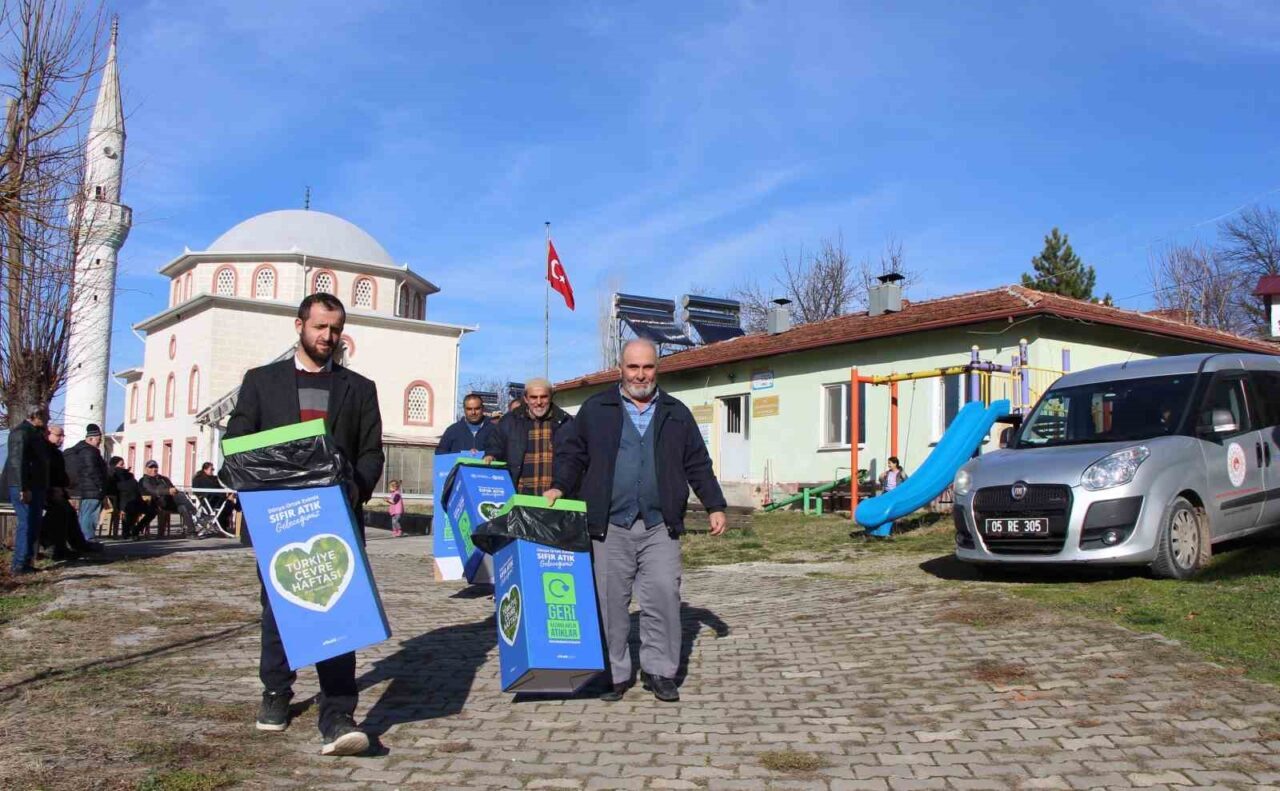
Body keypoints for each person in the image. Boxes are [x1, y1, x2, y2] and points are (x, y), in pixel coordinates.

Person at [224, 292, 384, 757]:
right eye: (319, 327)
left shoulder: (359, 388)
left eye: (335, 329)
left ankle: (338, 714)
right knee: (279, 607)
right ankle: (276, 691)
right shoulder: (261, 382)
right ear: (299, 326)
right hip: (280, 518)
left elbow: (371, 451)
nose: (327, 337)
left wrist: (355, 486)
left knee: (340, 612)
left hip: (336, 516)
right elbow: (238, 439)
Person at [544, 339, 727, 704]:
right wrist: (559, 487)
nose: (640, 375)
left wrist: (714, 504)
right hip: (609, 525)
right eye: (633, 367)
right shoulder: (597, 409)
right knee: (610, 602)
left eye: (647, 367)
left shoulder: (676, 413)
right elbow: (573, 455)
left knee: (662, 595)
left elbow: (697, 463)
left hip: (660, 525)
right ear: (621, 369)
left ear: (656, 369)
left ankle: (659, 671)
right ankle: (614, 674)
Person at [484, 378, 573, 494]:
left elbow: (572, 460)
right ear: (526, 399)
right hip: (519, 496)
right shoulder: (509, 421)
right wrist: (491, 455)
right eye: (533, 397)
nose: (539, 402)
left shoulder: (566, 423)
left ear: (551, 397)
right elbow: (495, 444)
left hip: (554, 497)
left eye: (544, 397)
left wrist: (561, 487)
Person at [5, 406, 51, 574]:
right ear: (35, 416)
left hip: (35, 485)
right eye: (45, 416)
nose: (48, 419)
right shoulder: (21, 433)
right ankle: (19, 564)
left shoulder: (34, 433)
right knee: (26, 523)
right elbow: (18, 462)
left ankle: (26, 561)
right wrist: (23, 487)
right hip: (26, 486)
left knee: (33, 523)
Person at [65, 423, 111, 542]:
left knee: (85, 514)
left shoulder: (76, 450)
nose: (100, 443)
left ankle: (81, 539)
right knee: (90, 515)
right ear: (90, 438)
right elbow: (92, 470)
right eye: (98, 440)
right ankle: (88, 539)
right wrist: (100, 486)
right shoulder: (90, 452)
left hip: (82, 488)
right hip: (92, 489)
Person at [137, 460, 178, 537]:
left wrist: (173, 492)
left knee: (182, 505)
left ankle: (191, 531)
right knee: (158, 509)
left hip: (167, 501)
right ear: (146, 469)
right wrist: (167, 491)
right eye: (151, 467)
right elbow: (151, 491)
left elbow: (173, 489)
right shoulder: (144, 480)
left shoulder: (164, 479)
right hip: (150, 503)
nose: (154, 469)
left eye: (155, 467)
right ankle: (138, 530)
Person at [109, 457, 144, 538]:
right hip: (117, 499)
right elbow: (112, 488)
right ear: (114, 465)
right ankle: (129, 530)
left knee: (150, 508)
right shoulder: (112, 474)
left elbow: (135, 486)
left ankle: (135, 529)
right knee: (129, 505)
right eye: (121, 464)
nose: (123, 466)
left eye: (123, 464)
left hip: (132, 498)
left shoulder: (128, 475)